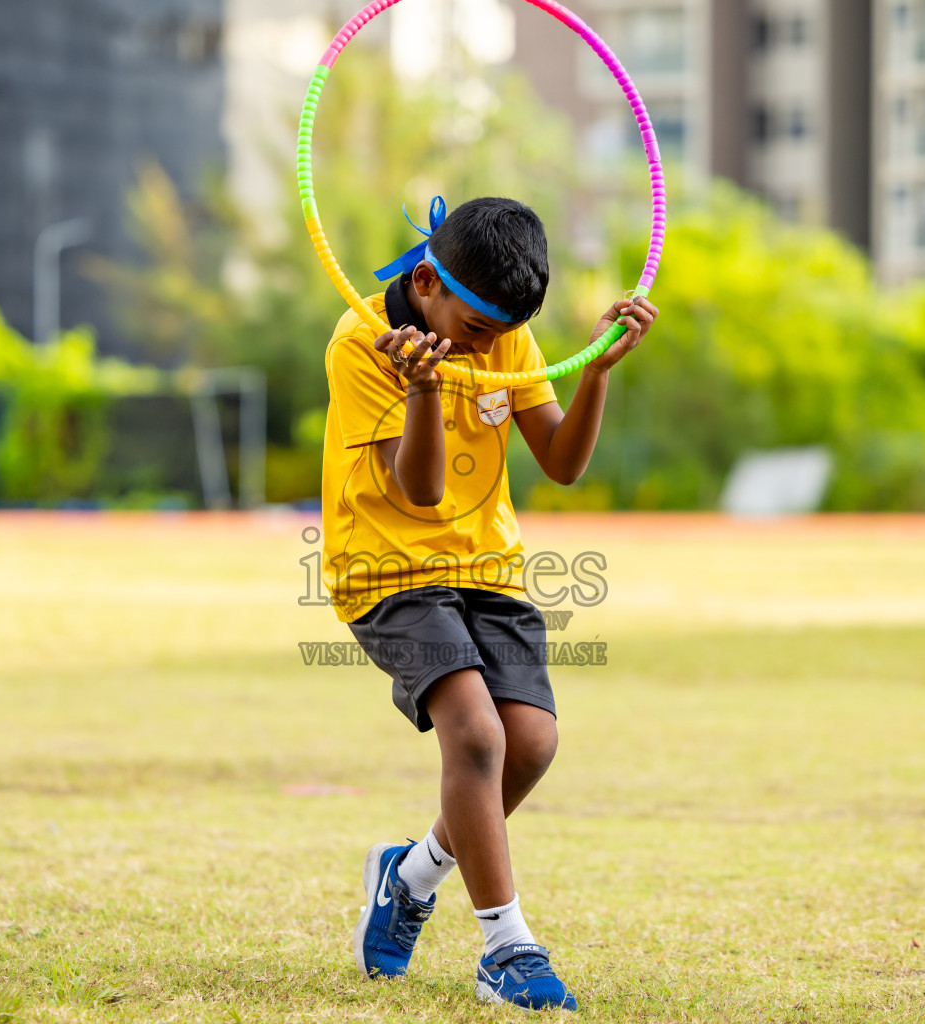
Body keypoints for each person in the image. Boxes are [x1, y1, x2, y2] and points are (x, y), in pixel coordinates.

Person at [321, 196, 657, 1011]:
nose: (493, 347)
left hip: (488, 567)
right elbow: (423, 490)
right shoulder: (363, 340)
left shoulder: (503, 329)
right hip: (388, 568)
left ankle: (409, 879)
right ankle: (508, 948)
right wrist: (426, 391)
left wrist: (598, 375)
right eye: (478, 332)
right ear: (429, 282)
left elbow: (563, 463)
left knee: (530, 743)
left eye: (504, 332)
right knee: (474, 734)